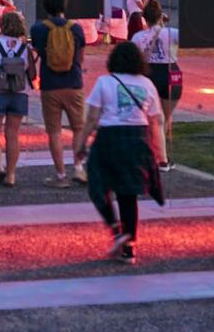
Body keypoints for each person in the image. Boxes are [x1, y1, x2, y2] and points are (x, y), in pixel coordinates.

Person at [71, 40, 165, 264]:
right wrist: (159, 153)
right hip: (138, 139)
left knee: (97, 184)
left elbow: (92, 118)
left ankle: (116, 229)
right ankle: (129, 248)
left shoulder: (105, 82)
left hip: (109, 138)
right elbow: (156, 121)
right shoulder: (148, 85)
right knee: (127, 194)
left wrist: (81, 144)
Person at [32, 0, 87, 186]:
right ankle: (79, 169)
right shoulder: (76, 29)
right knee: (78, 128)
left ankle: (61, 175)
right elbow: (80, 58)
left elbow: (38, 52)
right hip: (73, 84)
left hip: (50, 85)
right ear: (65, 6)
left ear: (45, 7)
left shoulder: (38, 29)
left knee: (54, 132)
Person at [0, 10, 34, 186]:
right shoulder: (25, 48)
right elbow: (32, 74)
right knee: (13, 134)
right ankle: (11, 175)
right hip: (19, 94)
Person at [132, 1, 181, 161]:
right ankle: (160, 152)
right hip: (170, 74)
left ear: (145, 18)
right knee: (164, 118)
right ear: (161, 16)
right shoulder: (171, 33)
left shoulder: (138, 37)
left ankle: (151, 150)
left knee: (149, 117)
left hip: (149, 74)